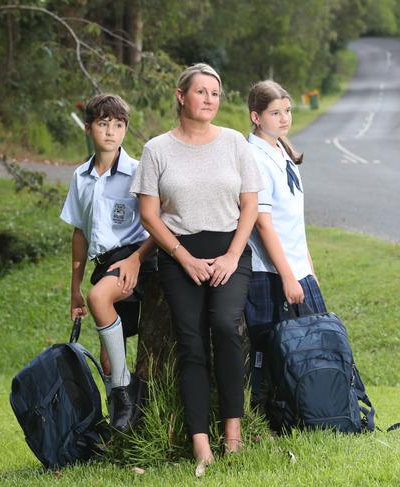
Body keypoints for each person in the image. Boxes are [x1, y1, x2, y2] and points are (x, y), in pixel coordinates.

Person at [130, 63, 263, 477]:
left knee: (224, 326)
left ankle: (234, 434)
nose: (209, 99)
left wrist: (230, 256)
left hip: (230, 252)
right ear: (181, 95)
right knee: (189, 341)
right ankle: (200, 442)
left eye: (215, 93)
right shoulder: (157, 149)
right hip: (179, 254)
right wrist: (183, 257)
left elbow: (251, 206)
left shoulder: (235, 143)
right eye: (201, 91)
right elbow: (149, 214)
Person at [60, 93, 155, 433]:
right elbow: (80, 233)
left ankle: (125, 393)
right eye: (103, 124)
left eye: (118, 125)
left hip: (136, 258)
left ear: (125, 129)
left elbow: (157, 220)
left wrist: (137, 258)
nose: (111, 132)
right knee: (105, 354)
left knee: (100, 297)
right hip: (104, 264)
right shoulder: (80, 177)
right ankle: (121, 418)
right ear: (88, 128)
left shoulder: (136, 171)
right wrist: (74, 288)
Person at [244, 80, 328, 408]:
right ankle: (269, 417)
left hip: (298, 268)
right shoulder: (254, 157)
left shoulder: (284, 152)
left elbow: (294, 223)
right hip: (271, 272)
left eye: (288, 111)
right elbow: (264, 224)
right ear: (256, 116)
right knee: (272, 352)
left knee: (311, 347)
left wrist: (308, 269)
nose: (284, 118)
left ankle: (313, 410)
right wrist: (288, 276)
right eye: (275, 112)